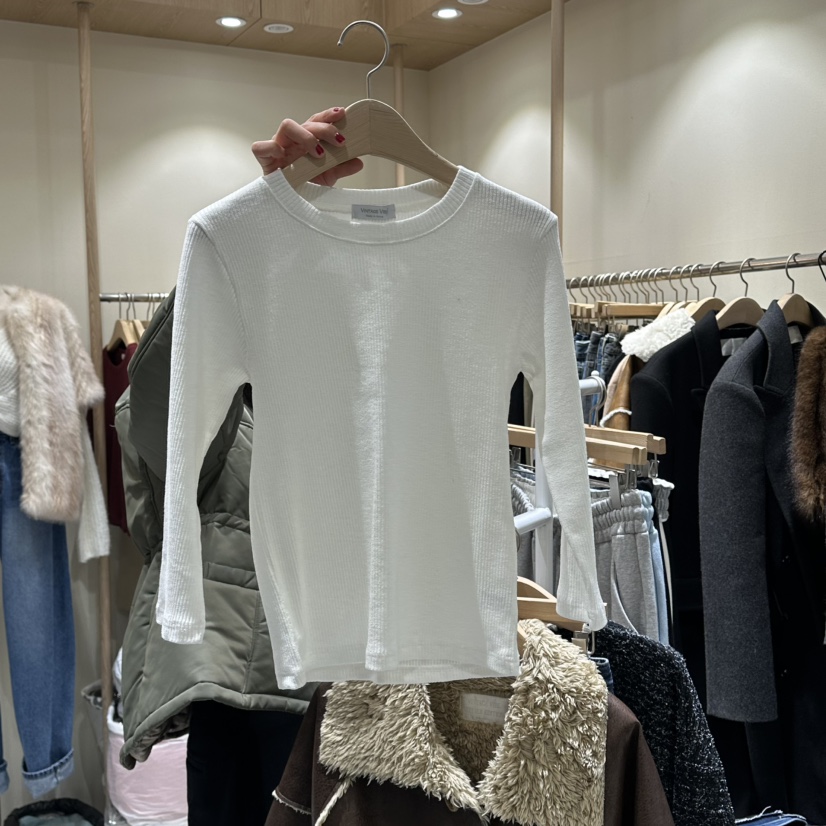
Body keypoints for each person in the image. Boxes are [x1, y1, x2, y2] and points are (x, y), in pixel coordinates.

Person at [117, 109, 360, 826]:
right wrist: (263, 211)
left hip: (358, 700)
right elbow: (159, 394)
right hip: (247, 702)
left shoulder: (357, 395)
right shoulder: (221, 414)